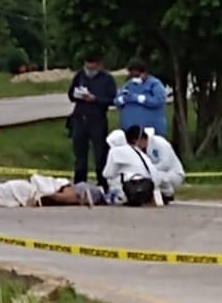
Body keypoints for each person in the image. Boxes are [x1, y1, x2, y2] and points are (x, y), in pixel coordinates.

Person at [67, 51, 117, 188]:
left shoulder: (107, 79)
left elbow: (113, 99)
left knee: (100, 153)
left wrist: (96, 99)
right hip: (80, 119)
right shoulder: (80, 76)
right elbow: (70, 94)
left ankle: (102, 183)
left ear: (99, 66)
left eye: (92, 68)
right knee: (80, 154)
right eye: (87, 68)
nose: (89, 71)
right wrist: (78, 95)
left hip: (97, 120)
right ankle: (79, 183)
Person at [103, 125, 159, 206]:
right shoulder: (135, 149)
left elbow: (108, 173)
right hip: (150, 184)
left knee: (113, 179)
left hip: (135, 185)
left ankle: (122, 196)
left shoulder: (115, 151)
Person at [114, 59, 168, 137]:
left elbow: (158, 101)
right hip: (130, 129)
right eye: (132, 75)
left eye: (137, 75)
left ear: (145, 73)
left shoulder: (154, 84)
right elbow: (117, 100)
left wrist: (139, 98)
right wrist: (122, 99)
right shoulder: (128, 85)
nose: (134, 78)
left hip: (150, 130)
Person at [143, 125, 185, 202]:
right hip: (161, 172)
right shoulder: (145, 149)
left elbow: (166, 164)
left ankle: (169, 194)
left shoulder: (162, 144)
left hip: (175, 174)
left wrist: (149, 170)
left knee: (157, 176)